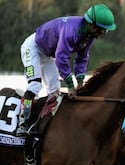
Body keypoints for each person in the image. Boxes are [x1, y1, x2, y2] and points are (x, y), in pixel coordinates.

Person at [17, 4, 116, 135]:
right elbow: (61, 58)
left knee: (54, 91)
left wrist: (80, 82)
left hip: (48, 55)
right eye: (101, 30)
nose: (102, 34)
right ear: (91, 25)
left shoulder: (89, 36)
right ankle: (22, 123)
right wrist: (70, 85)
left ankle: (44, 125)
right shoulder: (71, 31)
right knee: (35, 84)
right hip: (33, 48)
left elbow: (82, 59)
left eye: (105, 31)